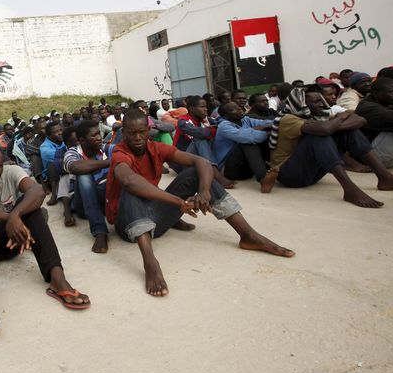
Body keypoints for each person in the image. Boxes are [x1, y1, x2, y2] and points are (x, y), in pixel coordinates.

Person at [106, 110, 294, 296]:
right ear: (125, 133)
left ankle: (248, 235)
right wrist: (177, 201)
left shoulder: (156, 148)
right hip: (128, 225)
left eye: (142, 132)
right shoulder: (120, 153)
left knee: (198, 173)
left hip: (155, 220)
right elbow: (130, 181)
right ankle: (150, 263)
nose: (138, 137)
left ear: (149, 130)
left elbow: (202, 162)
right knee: (131, 188)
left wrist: (203, 191)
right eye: (132, 133)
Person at [0, 143, 90, 341]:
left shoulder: (12, 172)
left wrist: (16, 215)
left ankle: (57, 278)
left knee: (32, 210)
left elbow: (37, 191)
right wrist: (9, 218)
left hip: (15, 242)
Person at [267, 88, 393, 206]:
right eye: (316, 102)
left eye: (321, 100)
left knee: (348, 131)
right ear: (301, 104)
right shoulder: (288, 119)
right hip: (289, 175)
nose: (322, 105)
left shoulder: (317, 116)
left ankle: (385, 177)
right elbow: (325, 130)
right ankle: (350, 189)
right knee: (317, 136)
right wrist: (340, 117)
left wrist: (336, 124)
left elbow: (360, 119)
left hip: (312, 174)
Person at [62, 120, 111, 253]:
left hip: (105, 200)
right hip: (83, 205)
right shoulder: (72, 152)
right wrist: (109, 162)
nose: (99, 137)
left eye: (99, 134)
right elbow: (76, 167)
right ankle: (100, 231)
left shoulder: (105, 148)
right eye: (94, 135)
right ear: (82, 140)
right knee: (83, 175)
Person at [173, 96, 236, 188]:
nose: (206, 109)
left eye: (206, 106)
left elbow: (223, 123)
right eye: (202, 107)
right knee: (199, 138)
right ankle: (216, 175)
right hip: (183, 161)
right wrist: (215, 129)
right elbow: (201, 133)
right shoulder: (183, 121)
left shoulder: (206, 120)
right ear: (192, 109)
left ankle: (219, 170)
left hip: (201, 159)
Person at [213, 102, 277, 192]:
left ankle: (273, 167)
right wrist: (266, 131)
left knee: (267, 135)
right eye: (233, 109)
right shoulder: (224, 126)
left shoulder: (245, 120)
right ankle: (263, 179)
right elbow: (248, 137)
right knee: (247, 142)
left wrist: (279, 122)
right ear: (226, 116)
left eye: (237, 106)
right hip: (231, 170)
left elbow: (266, 122)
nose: (239, 109)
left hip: (246, 168)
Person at [355, 78, 393, 168]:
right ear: (376, 94)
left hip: (391, 157)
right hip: (373, 160)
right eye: (392, 92)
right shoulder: (367, 108)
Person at [40, 122, 66, 200]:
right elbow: (60, 158)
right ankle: (54, 193)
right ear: (49, 135)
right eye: (56, 132)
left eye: (60, 130)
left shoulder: (64, 141)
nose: (60, 133)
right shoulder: (44, 147)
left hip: (64, 169)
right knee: (53, 164)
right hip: (52, 178)